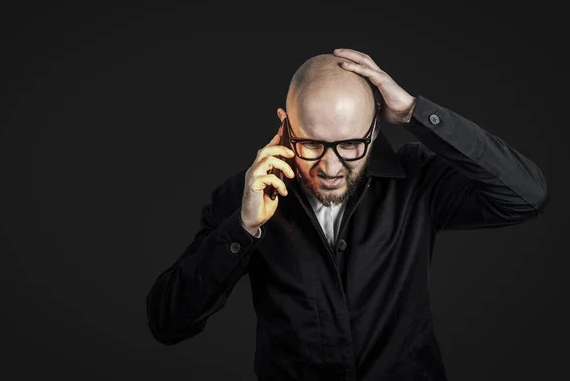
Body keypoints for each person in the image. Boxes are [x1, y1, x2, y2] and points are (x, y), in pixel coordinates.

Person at [145, 48, 548, 380]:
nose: (332, 166)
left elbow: (527, 195)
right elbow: (167, 322)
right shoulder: (244, 195)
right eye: (312, 144)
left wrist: (413, 112)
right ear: (285, 127)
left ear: (375, 129)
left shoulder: (416, 179)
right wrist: (244, 227)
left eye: (352, 144)